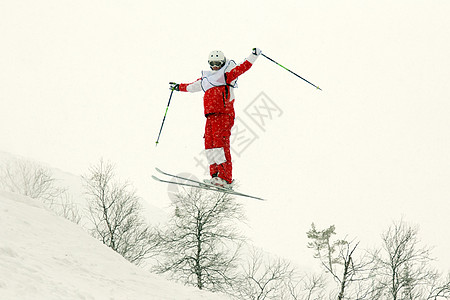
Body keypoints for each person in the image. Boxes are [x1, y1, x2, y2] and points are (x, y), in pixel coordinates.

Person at [169, 48, 262, 188]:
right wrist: (178, 87)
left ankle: (226, 178)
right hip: (210, 116)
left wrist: (253, 55)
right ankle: (216, 176)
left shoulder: (226, 75)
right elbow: (192, 86)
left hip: (223, 114)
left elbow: (242, 68)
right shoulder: (206, 79)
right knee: (210, 145)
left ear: (223, 62)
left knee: (220, 144)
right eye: (212, 64)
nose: (215, 66)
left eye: (218, 63)